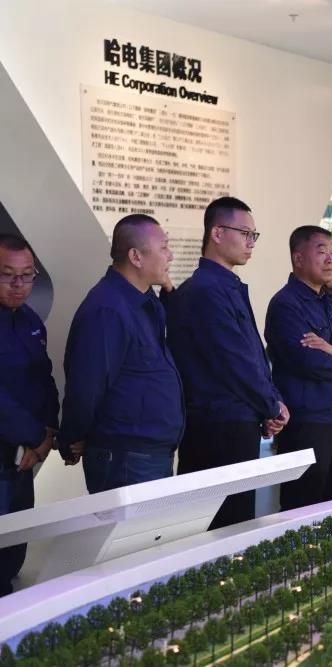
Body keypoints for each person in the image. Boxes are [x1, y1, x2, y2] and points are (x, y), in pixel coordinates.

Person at [166, 197, 288, 529]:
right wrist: (270, 405)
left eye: (254, 235)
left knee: (237, 523)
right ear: (217, 233)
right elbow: (233, 361)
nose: (251, 242)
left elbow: (252, 353)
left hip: (236, 420)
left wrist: (270, 402)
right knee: (222, 527)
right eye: (245, 233)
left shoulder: (225, 286)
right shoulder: (205, 291)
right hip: (216, 426)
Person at [59, 215, 184, 493]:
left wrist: (168, 289)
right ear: (136, 257)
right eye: (164, 247)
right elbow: (87, 384)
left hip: (148, 456)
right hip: (126, 459)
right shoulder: (108, 308)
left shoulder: (145, 300)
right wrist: (73, 435)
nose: (170, 256)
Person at [264, 226, 332, 509]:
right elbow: (310, 362)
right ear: (298, 258)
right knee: (303, 508)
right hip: (308, 423)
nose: (330, 259)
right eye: (321, 251)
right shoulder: (286, 305)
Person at [0, 235, 57, 596]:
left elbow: (44, 379)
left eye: (27, 275)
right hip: (11, 448)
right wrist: (36, 436)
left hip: (24, 458)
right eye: (8, 275)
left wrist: (48, 432)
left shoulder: (30, 320)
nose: (19, 284)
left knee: (14, 554)